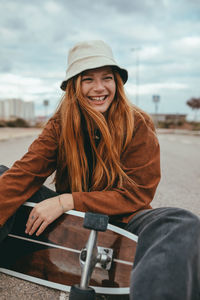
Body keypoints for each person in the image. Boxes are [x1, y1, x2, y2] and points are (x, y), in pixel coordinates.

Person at [0, 40, 199, 300]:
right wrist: (64, 205)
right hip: (74, 220)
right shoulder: (59, 125)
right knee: (4, 177)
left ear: (117, 82)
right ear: (74, 85)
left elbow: (137, 194)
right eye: (88, 79)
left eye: (107, 78)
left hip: (125, 220)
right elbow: (24, 174)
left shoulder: (137, 123)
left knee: (181, 223)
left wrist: (67, 199)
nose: (99, 88)